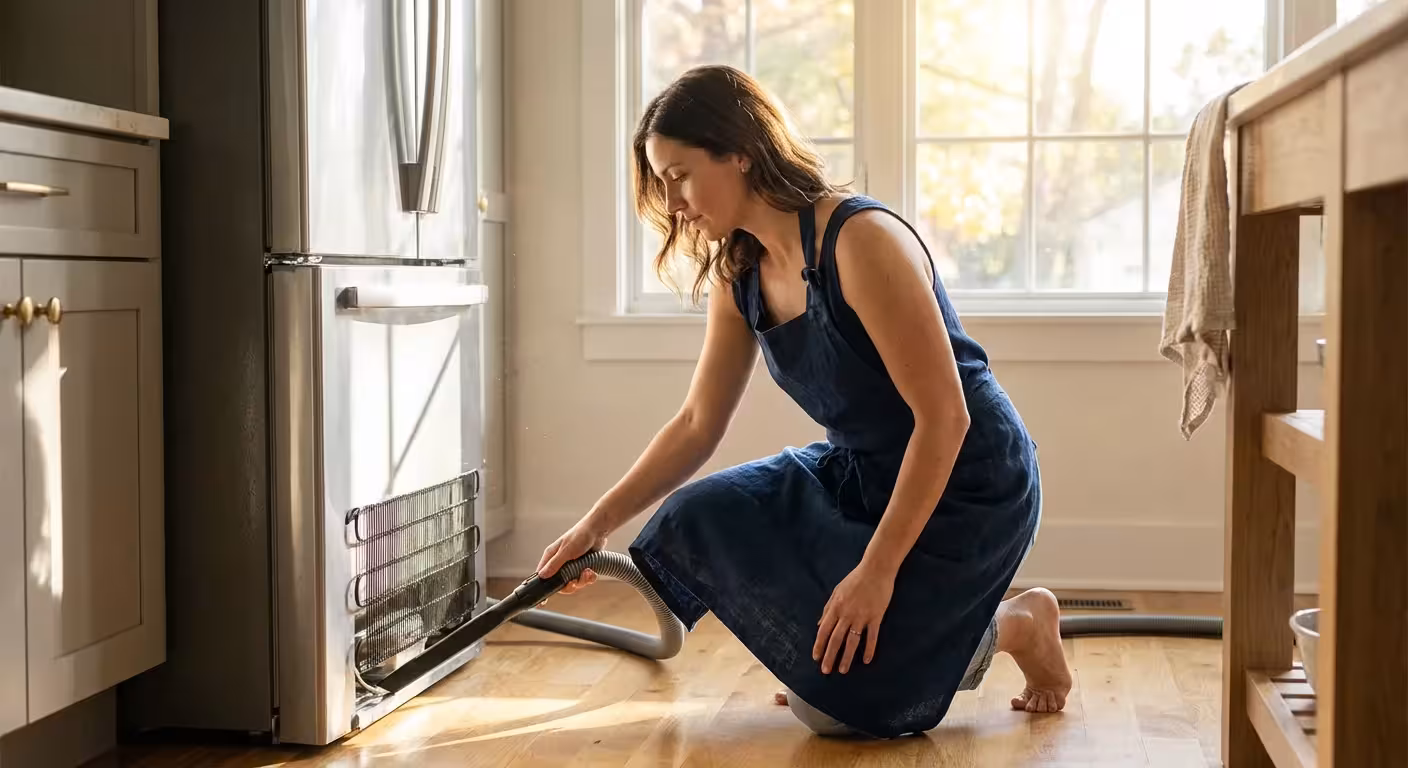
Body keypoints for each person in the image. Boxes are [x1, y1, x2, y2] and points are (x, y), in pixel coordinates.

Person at [535, 64, 1071, 739]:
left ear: (740, 151)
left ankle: (1019, 623)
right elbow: (699, 423)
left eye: (679, 176)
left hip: (967, 480)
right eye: (660, 182)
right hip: (864, 471)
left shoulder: (860, 242)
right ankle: (842, 661)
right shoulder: (740, 270)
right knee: (698, 516)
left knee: (847, 714)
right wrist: (596, 522)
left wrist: (875, 574)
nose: (672, 203)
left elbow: (946, 417)